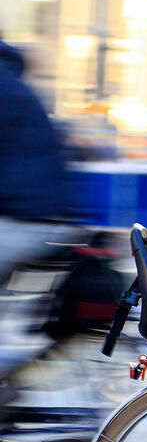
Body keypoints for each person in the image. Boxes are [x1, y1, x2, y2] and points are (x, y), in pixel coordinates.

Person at [0, 39, 80, 378]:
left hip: (27, 220)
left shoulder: (3, 87)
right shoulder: (11, 80)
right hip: (41, 215)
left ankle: (10, 371)